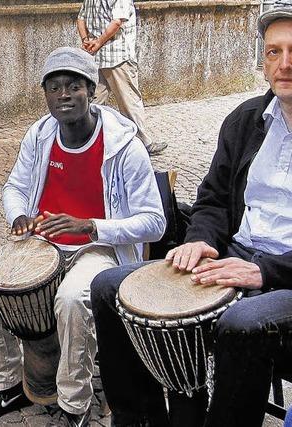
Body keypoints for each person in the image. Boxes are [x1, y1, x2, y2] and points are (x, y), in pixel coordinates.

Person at [91, 4, 292, 426]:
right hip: (234, 256)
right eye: (273, 52)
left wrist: (266, 273)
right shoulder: (246, 120)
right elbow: (214, 199)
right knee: (110, 286)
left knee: (241, 323)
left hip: (284, 276)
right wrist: (200, 239)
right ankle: (141, 420)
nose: (284, 64)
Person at [0, 46, 166, 427]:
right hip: (44, 244)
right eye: (54, 88)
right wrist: (19, 214)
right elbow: (15, 187)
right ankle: (5, 385)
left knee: (72, 297)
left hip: (100, 247)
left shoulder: (125, 145)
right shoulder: (39, 136)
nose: (63, 95)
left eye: (73, 86)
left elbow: (155, 222)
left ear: (92, 90)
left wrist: (90, 225)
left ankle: (74, 403)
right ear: (46, 96)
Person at [76, 0, 166, 155]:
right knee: (130, 101)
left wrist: (86, 41)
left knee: (92, 101)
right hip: (118, 56)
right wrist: (98, 42)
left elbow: (81, 19)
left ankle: (79, 138)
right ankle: (143, 143)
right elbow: (117, 22)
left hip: (96, 57)